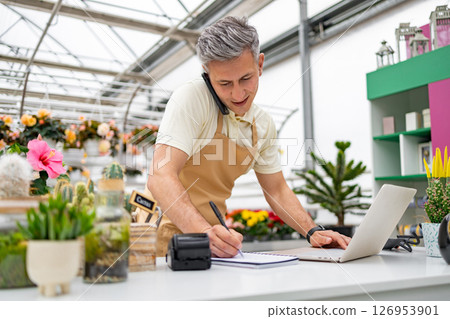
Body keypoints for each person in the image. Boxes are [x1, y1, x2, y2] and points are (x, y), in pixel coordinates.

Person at [138, 16, 350, 257]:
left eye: (245, 79)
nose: (238, 93)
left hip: (210, 233)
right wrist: (203, 232)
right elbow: (161, 175)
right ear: (207, 74)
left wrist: (313, 231)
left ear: (260, 64)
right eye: (225, 83)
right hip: (161, 227)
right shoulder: (191, 98)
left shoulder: (263, 125)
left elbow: (277, 189)